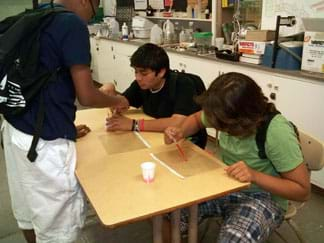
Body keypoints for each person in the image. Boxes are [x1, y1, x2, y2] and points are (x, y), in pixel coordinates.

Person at [1, 1, 128, 243]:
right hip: (43, 141)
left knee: (29, 211)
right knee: (60, 229)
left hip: (16, 128)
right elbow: (87, 95)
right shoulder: (71, 24)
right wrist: (116, 99)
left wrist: (66, 126)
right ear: (84, 1)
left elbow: (41, 78)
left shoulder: (39, 15)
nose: (93, 14)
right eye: (95, 6)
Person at [164, 72, 310, 242]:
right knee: (168, 210)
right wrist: (181, 131)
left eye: (224, 125)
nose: (219, 127)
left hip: (263, 197)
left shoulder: (276, 132)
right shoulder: (225, 114)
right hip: (225, 183)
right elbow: (197, 119)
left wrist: (254, 175)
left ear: (244, 118)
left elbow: (302, 191)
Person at [103, 43, 207, 148]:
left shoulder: (183, 84)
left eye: (144, 73)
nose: (138, 77)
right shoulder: (142, 83)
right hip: (156, 137)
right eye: (136, 72)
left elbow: (178, 122)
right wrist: (111, 95)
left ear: (161, 72)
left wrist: (134, 124)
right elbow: (123, 101)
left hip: (185, 141)